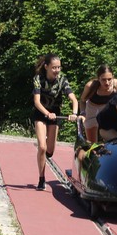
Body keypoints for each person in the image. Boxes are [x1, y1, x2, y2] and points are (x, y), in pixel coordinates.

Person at [31, 53, 77, 191]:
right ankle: (41, 178)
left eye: (59, 67)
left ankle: (44, 157)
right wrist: (47, 113)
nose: (57, 70)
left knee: (50, 151)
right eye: (54, 68)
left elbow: (73, 99)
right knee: (42, 147)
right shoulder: (38, 79)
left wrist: (74, 113)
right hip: (41, 114)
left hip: (55, 115)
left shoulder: (62, 80)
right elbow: (37, 102)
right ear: (46, 67)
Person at [78, 64, 117, 143]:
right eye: (103, 80)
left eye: (109, 79)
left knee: (113, 138)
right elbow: (82, 100)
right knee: (92, 142)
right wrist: (83, 113)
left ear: (113, 77)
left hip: (107, 108)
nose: (107, 83)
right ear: (98, 78)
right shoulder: (90, 86)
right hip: (92, 108)